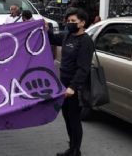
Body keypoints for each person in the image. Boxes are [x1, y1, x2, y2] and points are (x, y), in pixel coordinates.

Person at [46, 8, 94, 156]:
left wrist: (73, 87)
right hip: (63, 83)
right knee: (67, 116)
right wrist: (46, 29)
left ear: (82, 23)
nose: (70, 23)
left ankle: (75, 151)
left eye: (73, 21)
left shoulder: (85, 41)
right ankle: (72, 147)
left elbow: (83, 68)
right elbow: (53, 39)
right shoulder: (67, 36)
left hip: (74, 87)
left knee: (74, 119)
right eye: (68, 21)